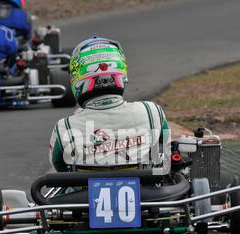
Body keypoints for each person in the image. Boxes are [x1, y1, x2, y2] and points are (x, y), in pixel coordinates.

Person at [49, 37, 170, 172]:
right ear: (120, 71)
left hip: (85, 192)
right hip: (147, 190)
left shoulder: (65, 127)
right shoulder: (151, 111)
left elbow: (59, 166)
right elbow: (166, 151)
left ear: (77, 78)